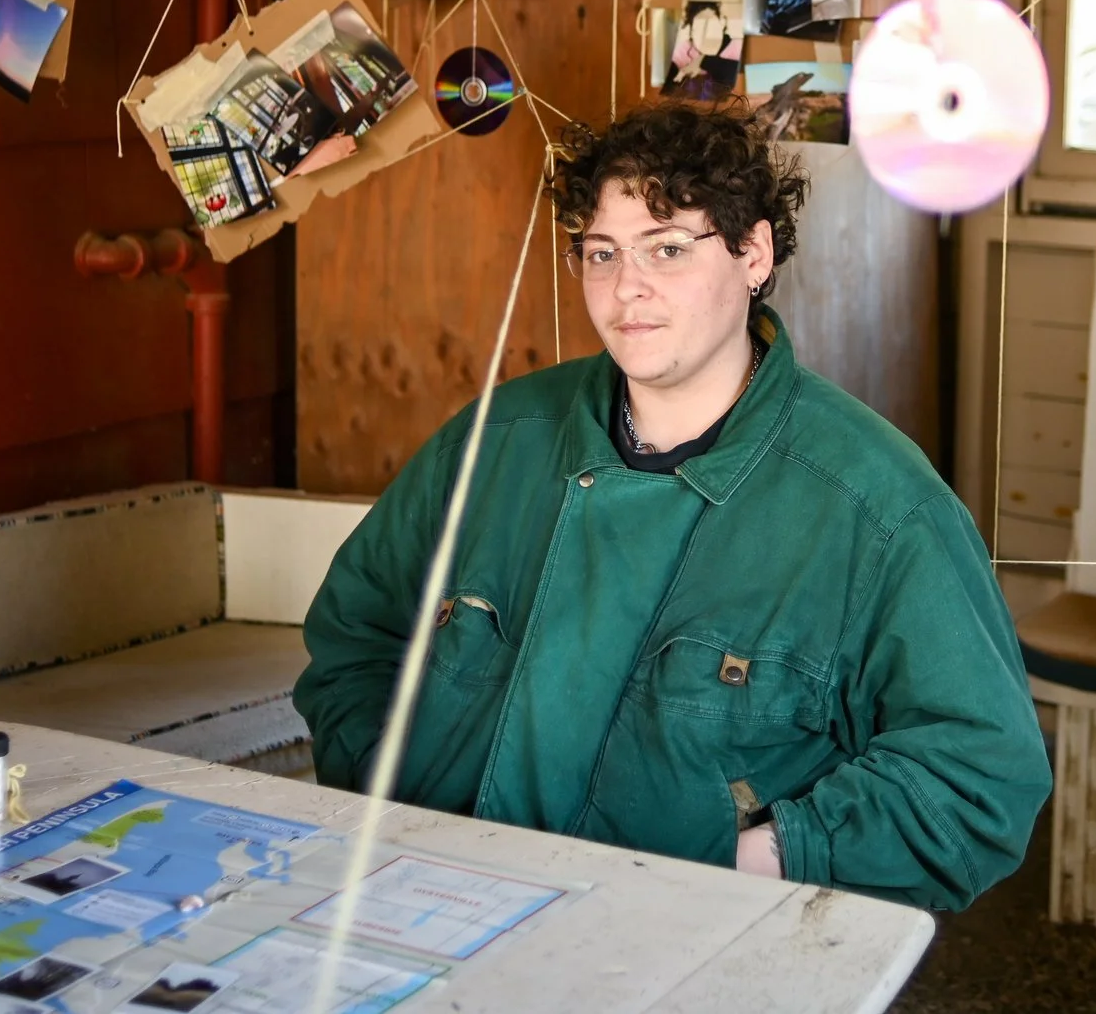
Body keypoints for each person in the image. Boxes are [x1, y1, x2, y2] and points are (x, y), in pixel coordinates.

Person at [295, 102, 1051, 910]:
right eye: (601, 252)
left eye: (668, 248)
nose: (628, 287)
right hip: (437, 910)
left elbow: (979, 776)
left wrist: (742, 863)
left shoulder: (878, 506)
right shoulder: (494, 442)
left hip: (703, 945)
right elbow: (354, 637)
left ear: (753, 253)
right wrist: (396, 800)